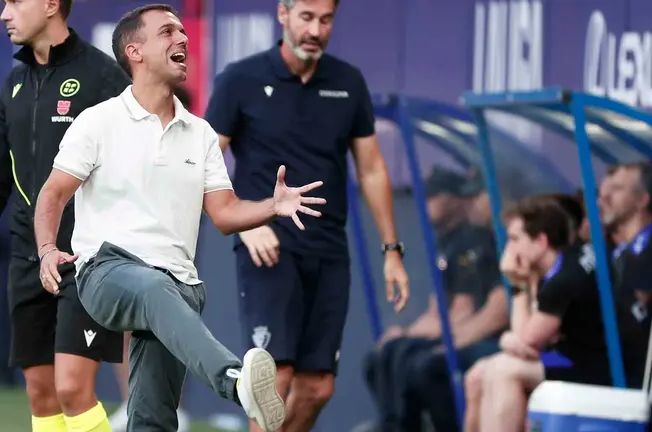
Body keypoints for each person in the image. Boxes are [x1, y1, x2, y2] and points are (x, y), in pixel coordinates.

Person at [32, 5, 324, 431]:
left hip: (178, 288)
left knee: (153, 419)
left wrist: (271, 207)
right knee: (153, 287)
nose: (183, 40)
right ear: (135, 51)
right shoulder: (97, 121)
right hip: (107, 272)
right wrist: (45, 250)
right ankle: (235, 380)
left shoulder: (202, 133)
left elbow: (224, 214)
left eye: (183, 33)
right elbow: (53, 194)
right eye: (168, 32)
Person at [204, 1, 410, 429]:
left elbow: (371, 169)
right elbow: (202, 161)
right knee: (273, 381)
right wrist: (245, 224)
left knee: (318, 388)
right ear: (283, 14)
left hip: (329, 249)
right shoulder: (239, 79)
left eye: (326, 19)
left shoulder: (348, 82)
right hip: (269, 250)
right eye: (306, 17)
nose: (315, 29)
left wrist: (392, 250)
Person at [0, 1, 131, 431]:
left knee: (72, 388)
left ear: (50, 5)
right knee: (42, 394)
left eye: (15, 2)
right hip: (28, 258)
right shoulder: (14, 84)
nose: (5, 13)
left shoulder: (104, 77)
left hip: (84, 258)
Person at [364, 167, 506, 432]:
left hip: (496, 340)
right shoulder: (451, 242)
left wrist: (450, 343)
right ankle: (397, 425)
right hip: (468, 331)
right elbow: (444, 308)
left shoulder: (494, 240)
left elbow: (492, 312)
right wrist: (406, 333)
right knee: (388, 353)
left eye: (433, 195)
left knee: (425, 365)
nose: (480, 203)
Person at [465, 196, 611, 432]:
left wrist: (517, 286)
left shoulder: (563, 279)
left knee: (503, 371)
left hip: (590, 366)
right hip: (570, 355)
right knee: (479, 373)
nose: (509, 249)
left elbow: (527, 341)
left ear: (541, 241)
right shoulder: (559, 264)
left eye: (514, 239)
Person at [108, 84, 195, 432]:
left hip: (173, 251)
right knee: (124, 326)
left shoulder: (194, 148)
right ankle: (132, 403)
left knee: (171, 328)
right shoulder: (126, 143)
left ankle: (174, 408)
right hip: (126, 243)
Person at [598, 161, 652, 388]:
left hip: (632, 374)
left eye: (617, 189)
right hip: (603, 360)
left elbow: (633, 319)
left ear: (642, 200)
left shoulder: (647, 250)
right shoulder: (618, 252)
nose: (605, 197)